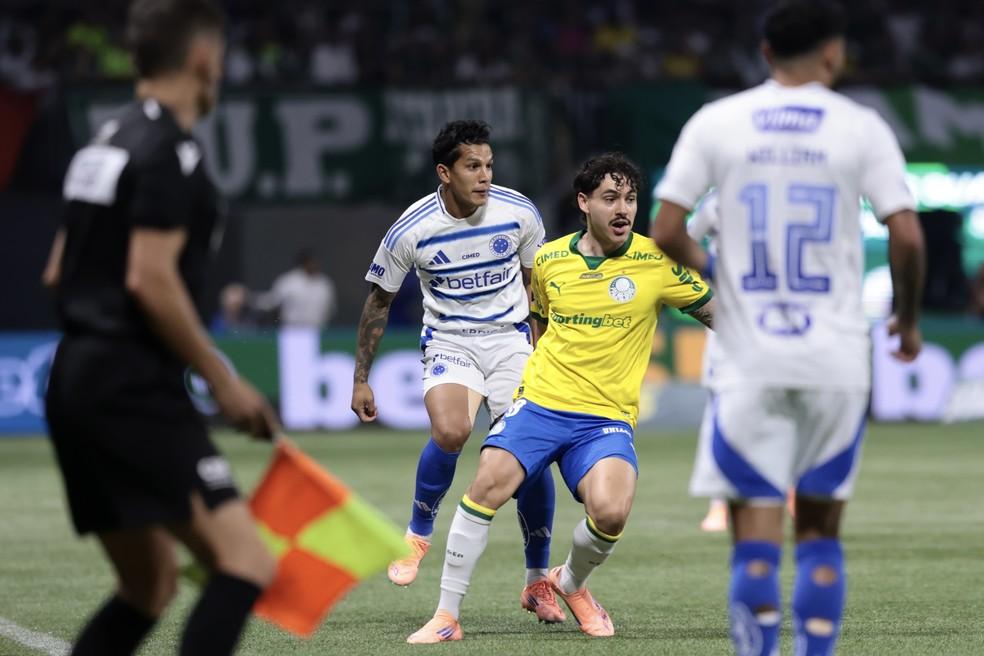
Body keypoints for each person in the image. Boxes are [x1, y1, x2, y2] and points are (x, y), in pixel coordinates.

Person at [651, 2, 925, 654]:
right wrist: (907, 319)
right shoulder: (862, 128)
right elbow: (909, 236)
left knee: (754, 541)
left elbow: (665, 229)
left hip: (749, 358)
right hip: (835, 361)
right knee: (821, 536)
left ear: (766, 54)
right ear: (834, 54)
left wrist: (720, 274)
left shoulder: (717, 122)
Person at [42, 1, 280, 654]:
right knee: (245, 563)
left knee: (149, 585)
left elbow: (58, 270)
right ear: (202, 58)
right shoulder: (171, 151)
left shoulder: (104, 141)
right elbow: (149, 278)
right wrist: (221, 379)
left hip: (74, 379)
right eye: (221, 58)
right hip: (132, 387)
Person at [407, 152, 715, 643]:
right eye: (610, 198)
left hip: (605, 418)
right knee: (486, 485)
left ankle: (568, 582)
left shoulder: (657, 261)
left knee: (611, 512)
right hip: (541, 405)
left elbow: (715, 311)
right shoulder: (550, 260)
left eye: (631, 198)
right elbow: (541, 324)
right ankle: (446, 616)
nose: (623, 208)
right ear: (584, 202)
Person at [351, 120, 566, 623]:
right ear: (444, 173)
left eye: (489, 165)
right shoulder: (412, 228)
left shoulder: (519, 213)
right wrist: (361, 378)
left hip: (511, 340)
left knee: (529, 454)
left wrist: (545, 353)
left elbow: (540, 290)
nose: (485, 175)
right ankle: (418, 533)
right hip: (451, 342)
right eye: (473, 166)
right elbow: (379, 302)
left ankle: (537, 580)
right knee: (451, 431)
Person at [252, 249, 337, 328]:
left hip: (318, 330)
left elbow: (331, 309)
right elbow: (272, 302)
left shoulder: (324, 283)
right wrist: (253, 300)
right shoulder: (289, 281)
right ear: (304, 263)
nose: (315, 264)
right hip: (292, 329)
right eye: (311, 262)